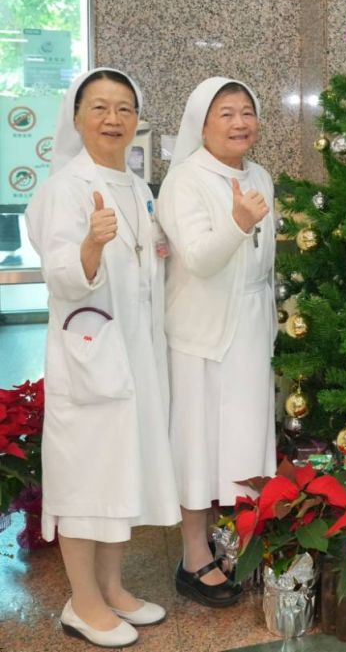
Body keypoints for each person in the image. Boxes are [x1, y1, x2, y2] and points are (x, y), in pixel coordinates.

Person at [26, 69, 179, 648]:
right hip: (88, 355)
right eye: (100, 108)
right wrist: (90, 245)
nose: (113, 119)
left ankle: (112, 588)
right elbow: (60, 276)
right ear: (77, 117)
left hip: (135, 353)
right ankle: (82, 602)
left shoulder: (136, 185)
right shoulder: (63, 188)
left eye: (124, 109)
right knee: (86, 476)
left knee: (121, 471)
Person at [158, 78, 275, 608]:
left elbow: (264, 263)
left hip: (250, 326)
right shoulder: (184, 180)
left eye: (246, 111)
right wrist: (237, 222)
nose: (239, 122)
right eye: (225, 113)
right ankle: (192, 556)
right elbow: (201, 259)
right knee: (198, 442)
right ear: (201, 124)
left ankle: (238, 543)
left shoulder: (261, 176)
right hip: (202, 332)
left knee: (245, 438)